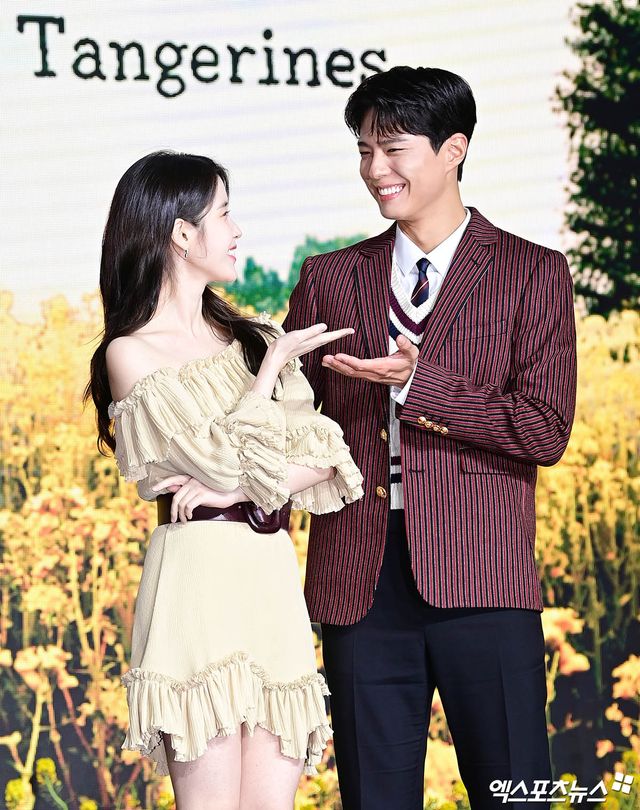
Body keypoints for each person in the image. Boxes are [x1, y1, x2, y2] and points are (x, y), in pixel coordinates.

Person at [282, 66, 577, 809]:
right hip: (358, 584)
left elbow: (544, 429)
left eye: (393, 149)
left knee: (515, 794)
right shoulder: (329, 277)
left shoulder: (531, 272)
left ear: (453, 150)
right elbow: (286, 419)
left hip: (484, 577)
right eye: (363, 151)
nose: (375, 169)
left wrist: (420, 386)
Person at [85, 150, 364, 810]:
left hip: (267, 577)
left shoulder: (257, 337)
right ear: (182, 234)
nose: (237, 231)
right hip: (196, 582)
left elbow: (326, 455)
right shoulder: (131, 354)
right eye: (225, 215)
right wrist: (265, 382)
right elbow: (214, 459)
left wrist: (237, 490)